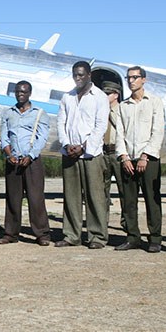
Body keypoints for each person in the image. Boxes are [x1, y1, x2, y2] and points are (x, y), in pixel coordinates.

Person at [55, 61, 110, 249]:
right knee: (71, 196)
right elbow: (61, 123)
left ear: (89, 75)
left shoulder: (100, 97)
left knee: (95, 197)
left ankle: (97, 237)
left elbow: (100, 126)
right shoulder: (67, 97)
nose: (77, 78)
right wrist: (67, 143)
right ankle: (71, 235)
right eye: (75, 75)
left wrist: (84, 146)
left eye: (81, 75)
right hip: (69, 153)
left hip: (91, 154)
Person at [114, 66, 165, 252]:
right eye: (128, 78)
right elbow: (119, 133)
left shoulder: (154, 102)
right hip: (128, 159)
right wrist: (124, 156)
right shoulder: (123, 106)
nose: (131, 81)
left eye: (135, 77)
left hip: (148, 158)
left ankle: (155, 238)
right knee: (128, 201)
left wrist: (146, 155)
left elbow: (158, 130)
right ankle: (132, 237)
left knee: (152, 199)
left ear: (144, 79)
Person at [0, 81, 51, 245]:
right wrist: (8, 154)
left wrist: (31, 155)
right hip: (13, 159)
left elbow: (42, 137)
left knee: (35, 198)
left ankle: (42, 234)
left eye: (24, 92)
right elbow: (4, 136)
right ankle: (11, 233)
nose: (20, 94)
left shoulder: (39, 113)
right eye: (18, 92)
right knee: (13, 198)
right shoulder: (8, 113)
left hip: (32, 161)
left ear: (29, 93)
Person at [100, 81, 128, 236]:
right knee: (102, 191)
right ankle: (102, 222)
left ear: (116, 95)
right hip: (104, 152)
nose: (105, 97)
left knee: (124, 189)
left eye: (107, 94)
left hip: (118, 153)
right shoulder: (101, 110)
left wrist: (110, 112)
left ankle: (126, 222)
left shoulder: (122, 109)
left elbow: (123, 127)